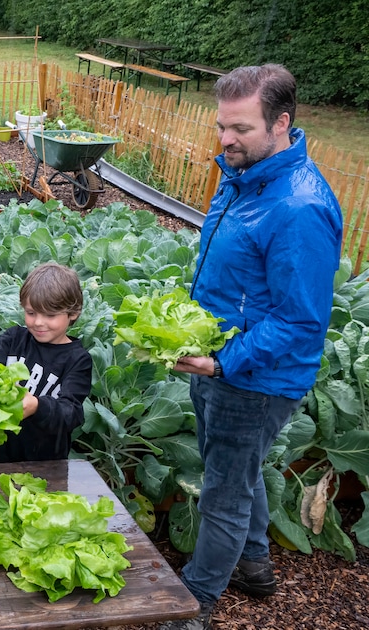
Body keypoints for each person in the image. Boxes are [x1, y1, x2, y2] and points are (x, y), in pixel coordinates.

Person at [161, 65, 342, 630]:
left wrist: (222, 361)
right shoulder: (245, 175)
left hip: (254, 378)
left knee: (224, 493)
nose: (225, 139)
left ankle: (197, 600)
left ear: (280, 122)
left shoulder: (298, 207)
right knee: (235, 470)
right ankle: (256, 565)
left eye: (239, 127)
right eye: (221, 126)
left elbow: (300, 321)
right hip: (219, 362)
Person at [0, 262, 92, 464]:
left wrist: (38, 406)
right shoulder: (14, 338)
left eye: (50, 315)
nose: (38, 322)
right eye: (31, 313)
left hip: (45, 462)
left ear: (73, 313)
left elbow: (71, 412)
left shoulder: (78, 360)